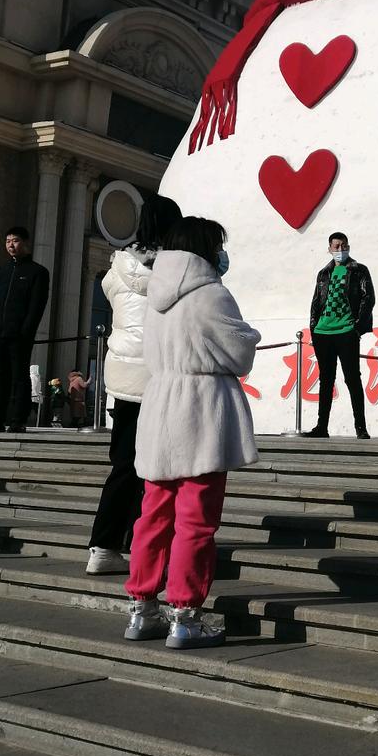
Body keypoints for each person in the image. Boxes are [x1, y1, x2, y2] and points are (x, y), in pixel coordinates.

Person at [124, 216, 259, 649]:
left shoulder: (155, 296)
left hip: (161, 406)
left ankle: (143, 608)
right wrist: (249, 336)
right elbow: (238, 352)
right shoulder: (210, 294)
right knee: (196, 521)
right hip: (201, 411)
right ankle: (185, 615)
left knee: (153, 516)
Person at [86, 193, 181, 575]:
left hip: (122, 373)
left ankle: (102, 546)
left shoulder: (119, 264)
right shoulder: (173, 269)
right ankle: (147, 544)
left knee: (123, 464)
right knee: (160, 466)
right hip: (159, 374)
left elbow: (112, 293)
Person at [303, 231, 375, 440]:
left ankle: (360, 427)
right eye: (336, 246)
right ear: (329, 249)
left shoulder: (358, 270)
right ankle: (321, 426)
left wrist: (357, 327)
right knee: (326, 379)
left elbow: (368, 297)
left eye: (344, 245)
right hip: (323, 332)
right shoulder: (323, 274)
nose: (341, 250)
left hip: (346, 331)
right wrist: (314, 328)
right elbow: (316, 301)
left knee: (352, 378)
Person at [0, 226, 50, 433]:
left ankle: (18, 420)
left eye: (16, 240)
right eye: (8, 241)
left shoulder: (37, 272)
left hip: (19, 335)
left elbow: (36, 306)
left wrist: (26, 332)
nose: (11, 245)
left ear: (26, 243)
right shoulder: (2, 271)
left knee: (20, 376)